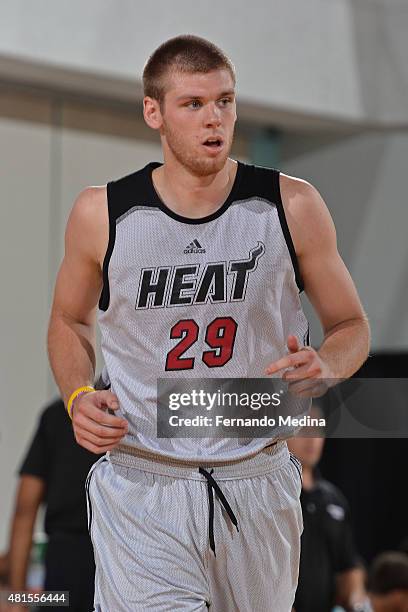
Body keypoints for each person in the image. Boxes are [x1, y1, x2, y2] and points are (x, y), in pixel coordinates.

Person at [47, 34, 370, 611]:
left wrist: (328, 363)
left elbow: (351, 324)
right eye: (193, 104)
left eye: (224, 100)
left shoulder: (290, 206)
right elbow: (69, 321)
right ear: (155, 112)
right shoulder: (103, 213)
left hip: (257, 472)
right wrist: (76, 393)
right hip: (145, 476)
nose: (213, 118)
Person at [2, 399, 101, 612]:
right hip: (128, 557)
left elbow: (24, 511)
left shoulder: (57, 414)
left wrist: (16, 597)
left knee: (55, 601)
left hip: (64, 568)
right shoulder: (153, 410)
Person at [287, 407, 367, 612]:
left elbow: (349, 563)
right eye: (304, 429)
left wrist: (357, 601)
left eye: (318, 430)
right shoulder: (271, 495)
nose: (312, 439)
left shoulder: (334, 499)